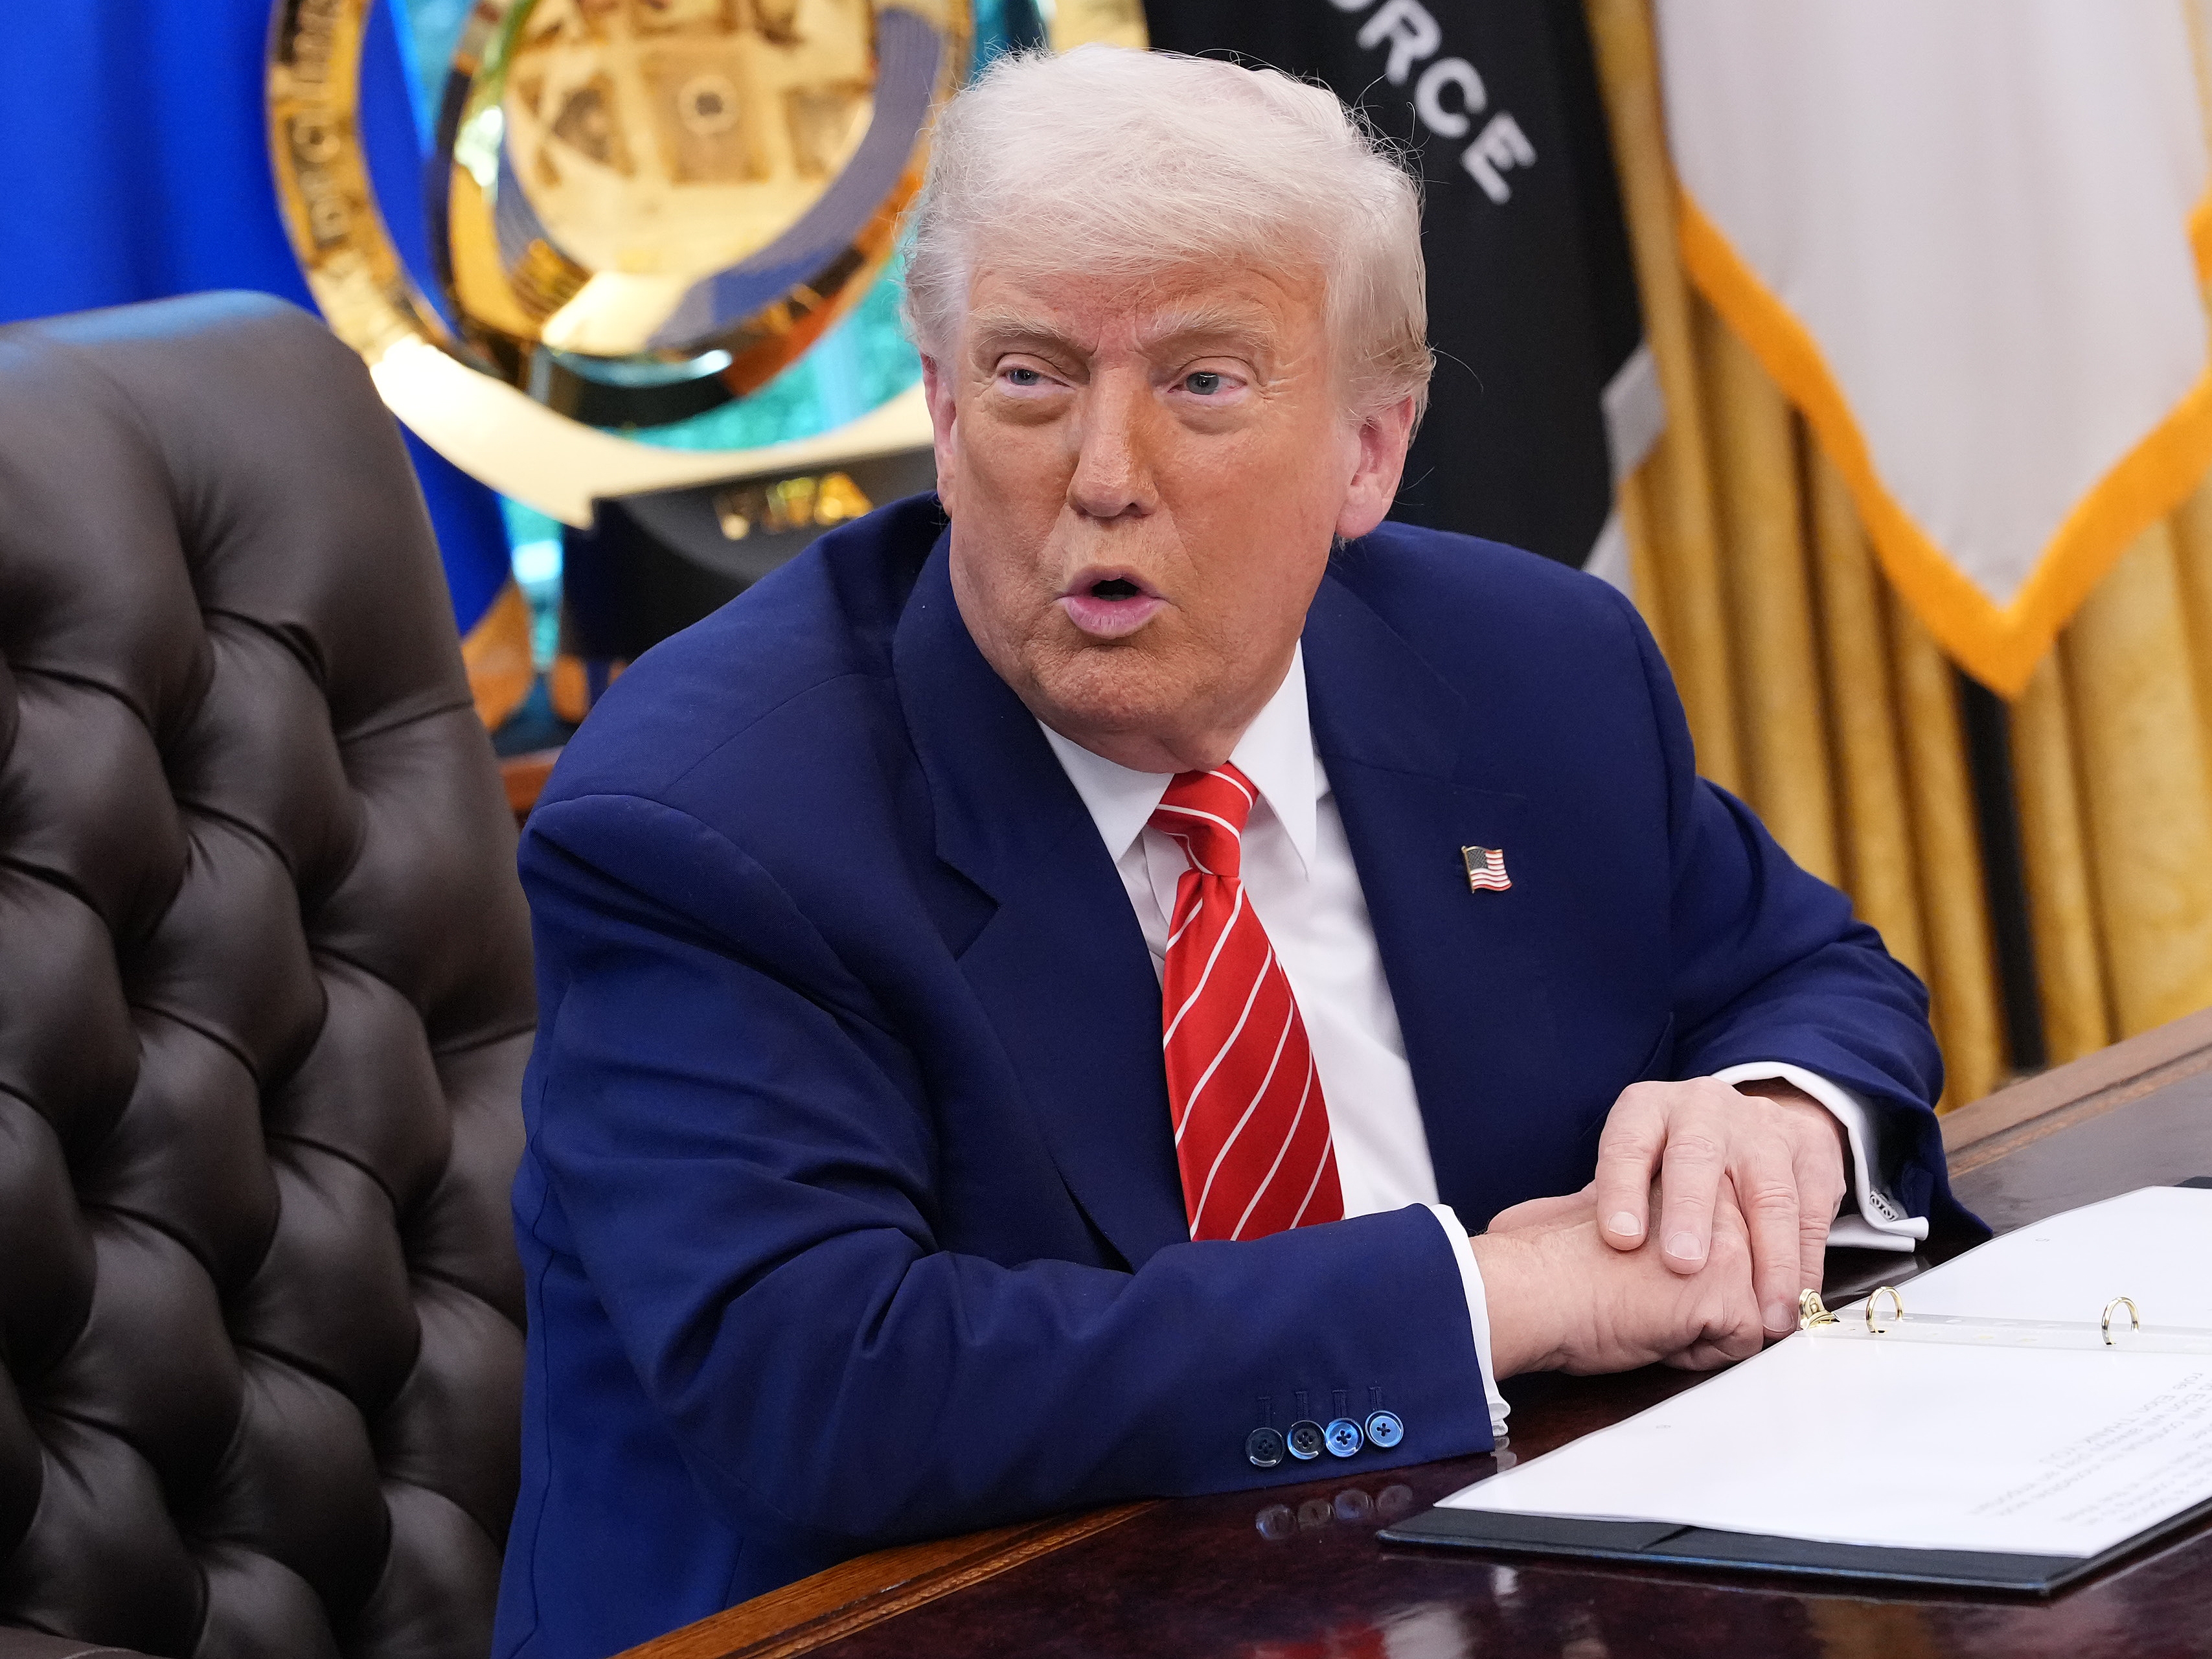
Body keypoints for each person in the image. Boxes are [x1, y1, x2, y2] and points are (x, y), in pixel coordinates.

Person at [492, 47, 1979, 1659]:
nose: (1105, 476)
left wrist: (1769, 1125)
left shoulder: (1528, 666)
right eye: (1030, 379)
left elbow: (1805, 973)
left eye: (1204, 382)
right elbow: (828, 1384)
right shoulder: (711, 821)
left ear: (1369, 451)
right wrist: (1490, 1299)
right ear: (936, 409)